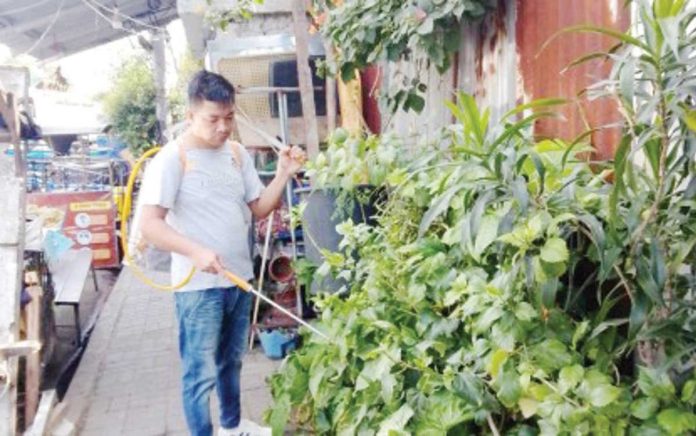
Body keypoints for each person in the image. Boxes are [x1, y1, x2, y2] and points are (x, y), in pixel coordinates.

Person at [138, 70, 306, 436]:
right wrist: (195, 250)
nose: (223, 127)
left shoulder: (236, 154)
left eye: (229, 117)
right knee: (200, 373)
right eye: (213, 119)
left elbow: (258, 208)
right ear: (190, 115)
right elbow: (149, 225)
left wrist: (283, 174)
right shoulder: (172, 159)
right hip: (198, 288)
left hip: (239, 278)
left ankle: (232, 426)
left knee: (231, 361)